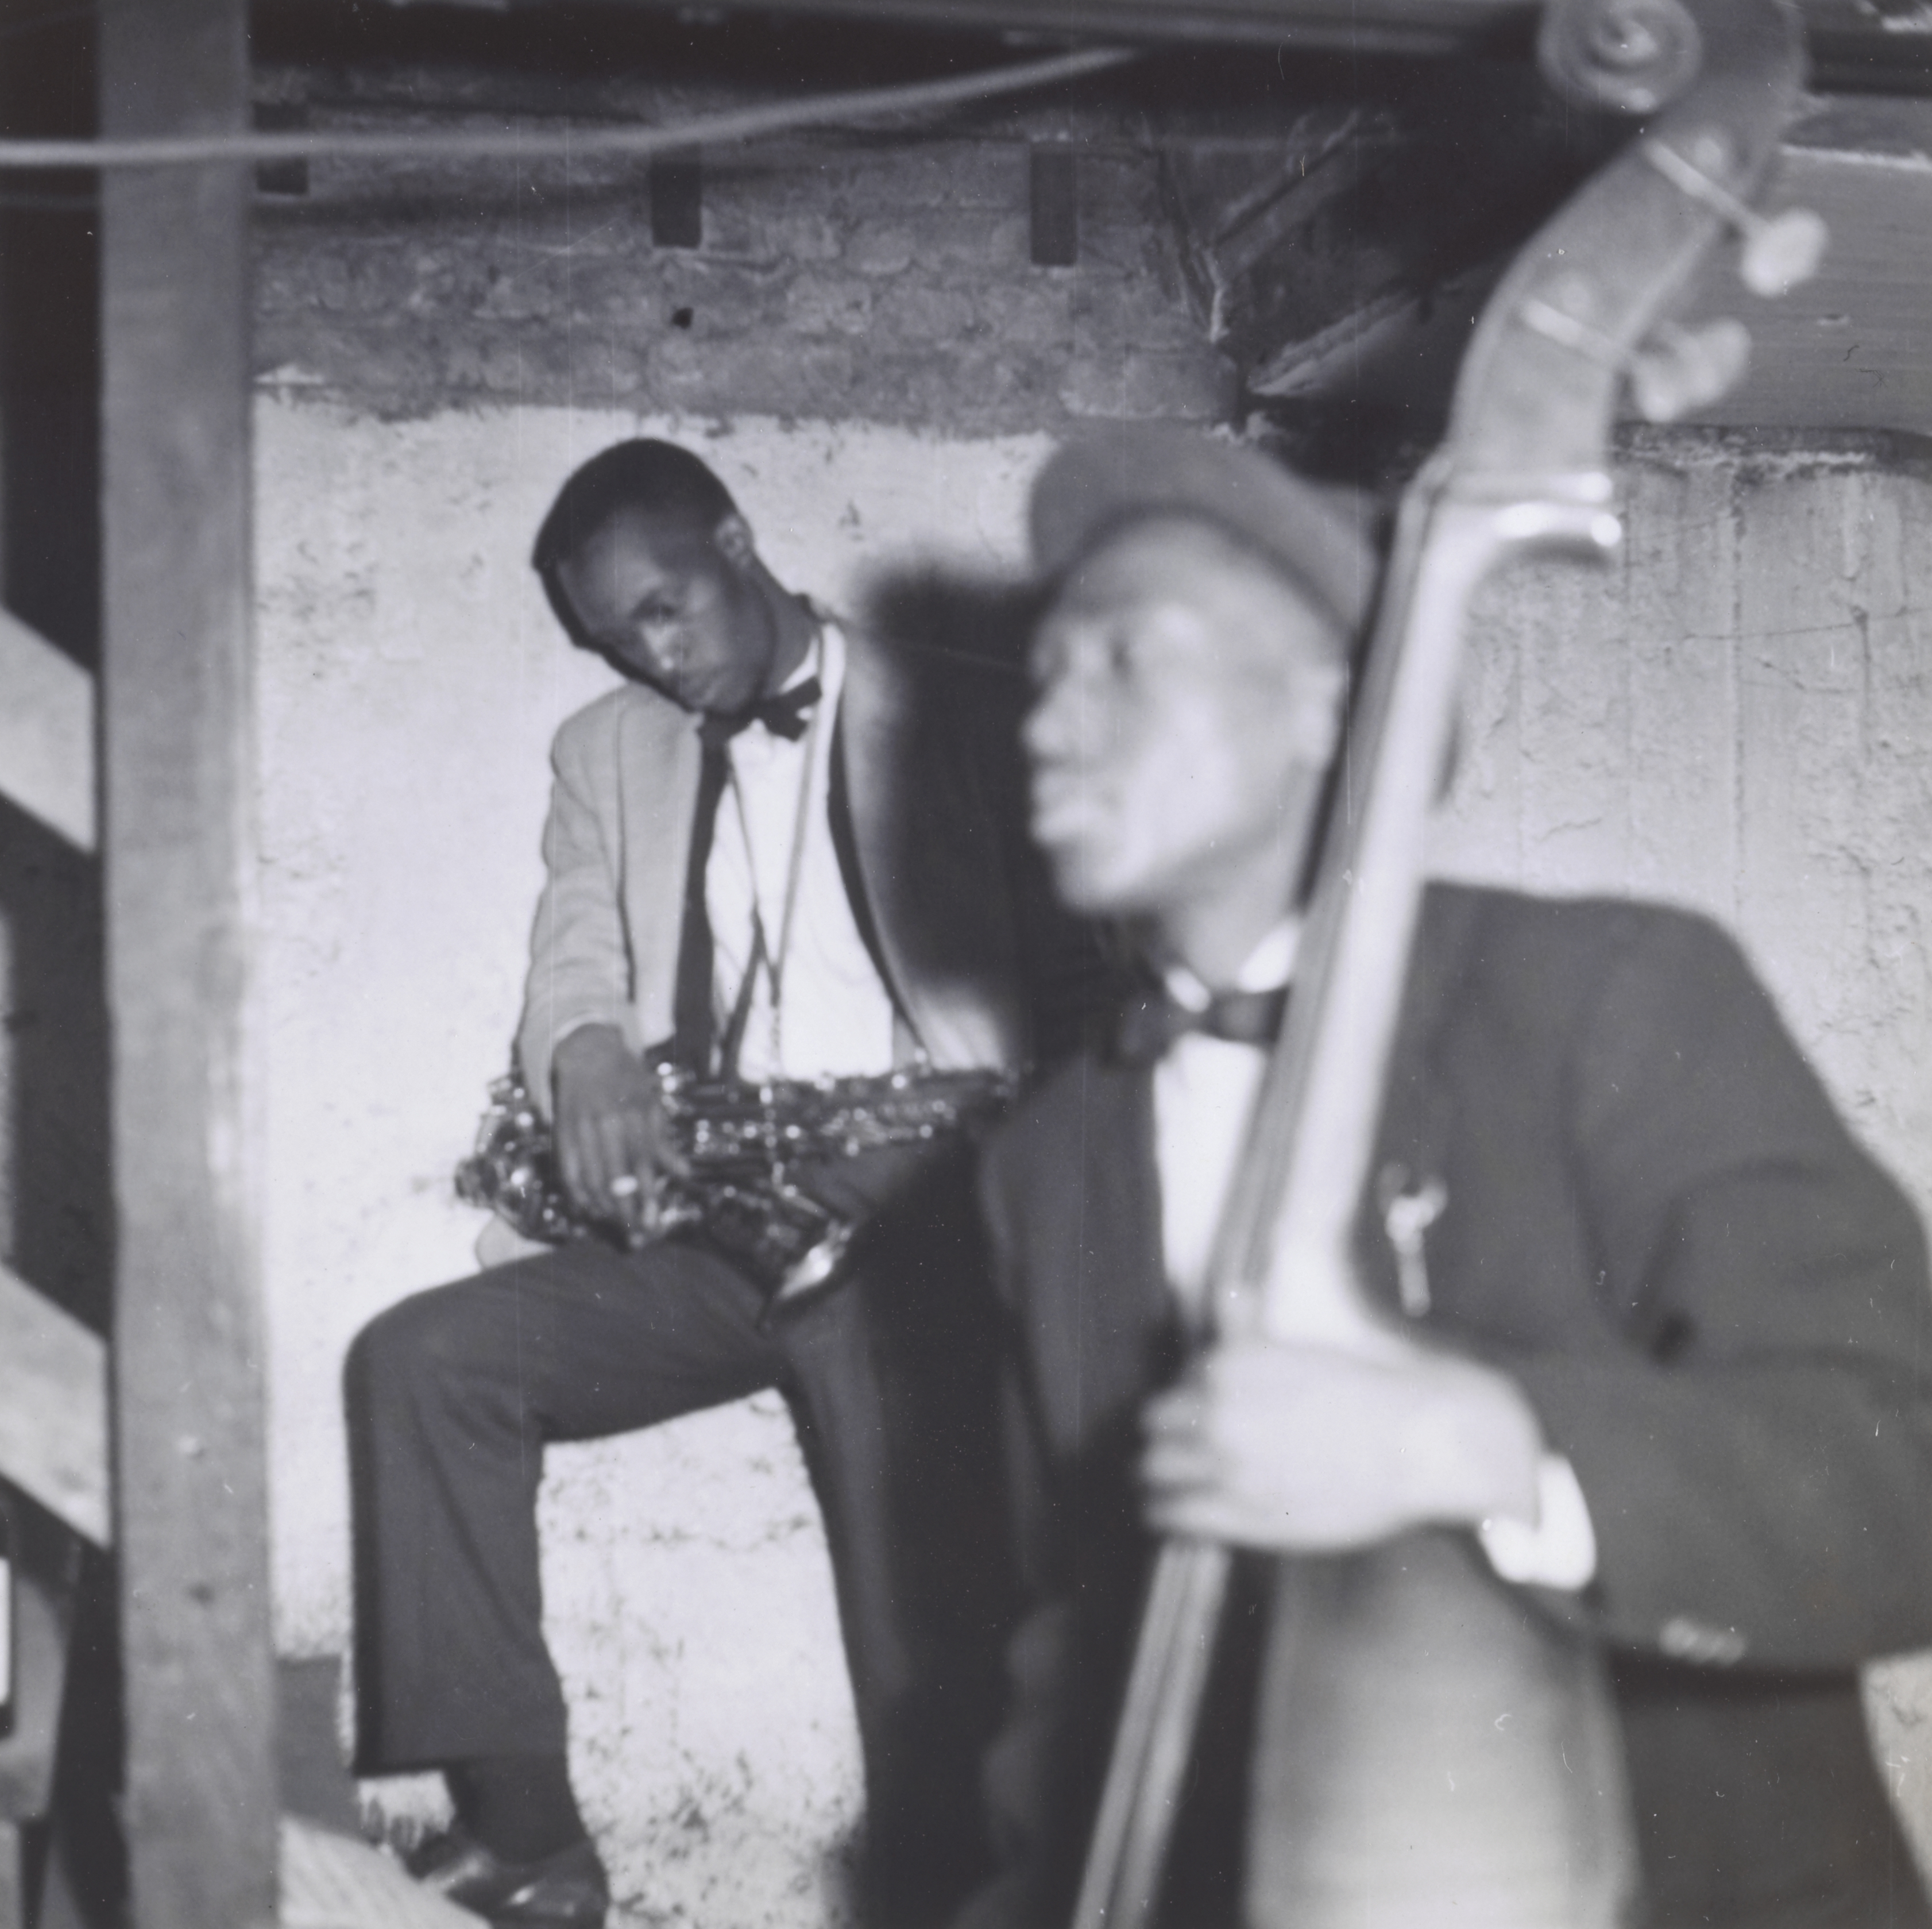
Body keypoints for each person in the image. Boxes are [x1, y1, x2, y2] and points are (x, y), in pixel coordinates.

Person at [963, 423, 1932, 1929]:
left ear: (1327, 711)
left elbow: (1899, 1467)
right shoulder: (1044, 1166)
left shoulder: (1605, 993)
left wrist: (1491, 1448)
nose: (1042, 723)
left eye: (1119, 659)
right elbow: (1062, 1644)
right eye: (1037, 677)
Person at [345, 440, 1093, 1929]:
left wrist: (948, 1156)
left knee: (908, 1550)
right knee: (424, 1363)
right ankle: (532, 1844)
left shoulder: (972, 711)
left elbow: (1078, 1002)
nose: (652, 656)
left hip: (924, 1206)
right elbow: (572, 953)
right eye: (616, 637)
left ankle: (959, 1892)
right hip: (721, 1214)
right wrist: (590, 1059)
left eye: (666, 610)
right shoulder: (603, 751)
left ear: (740, 542)